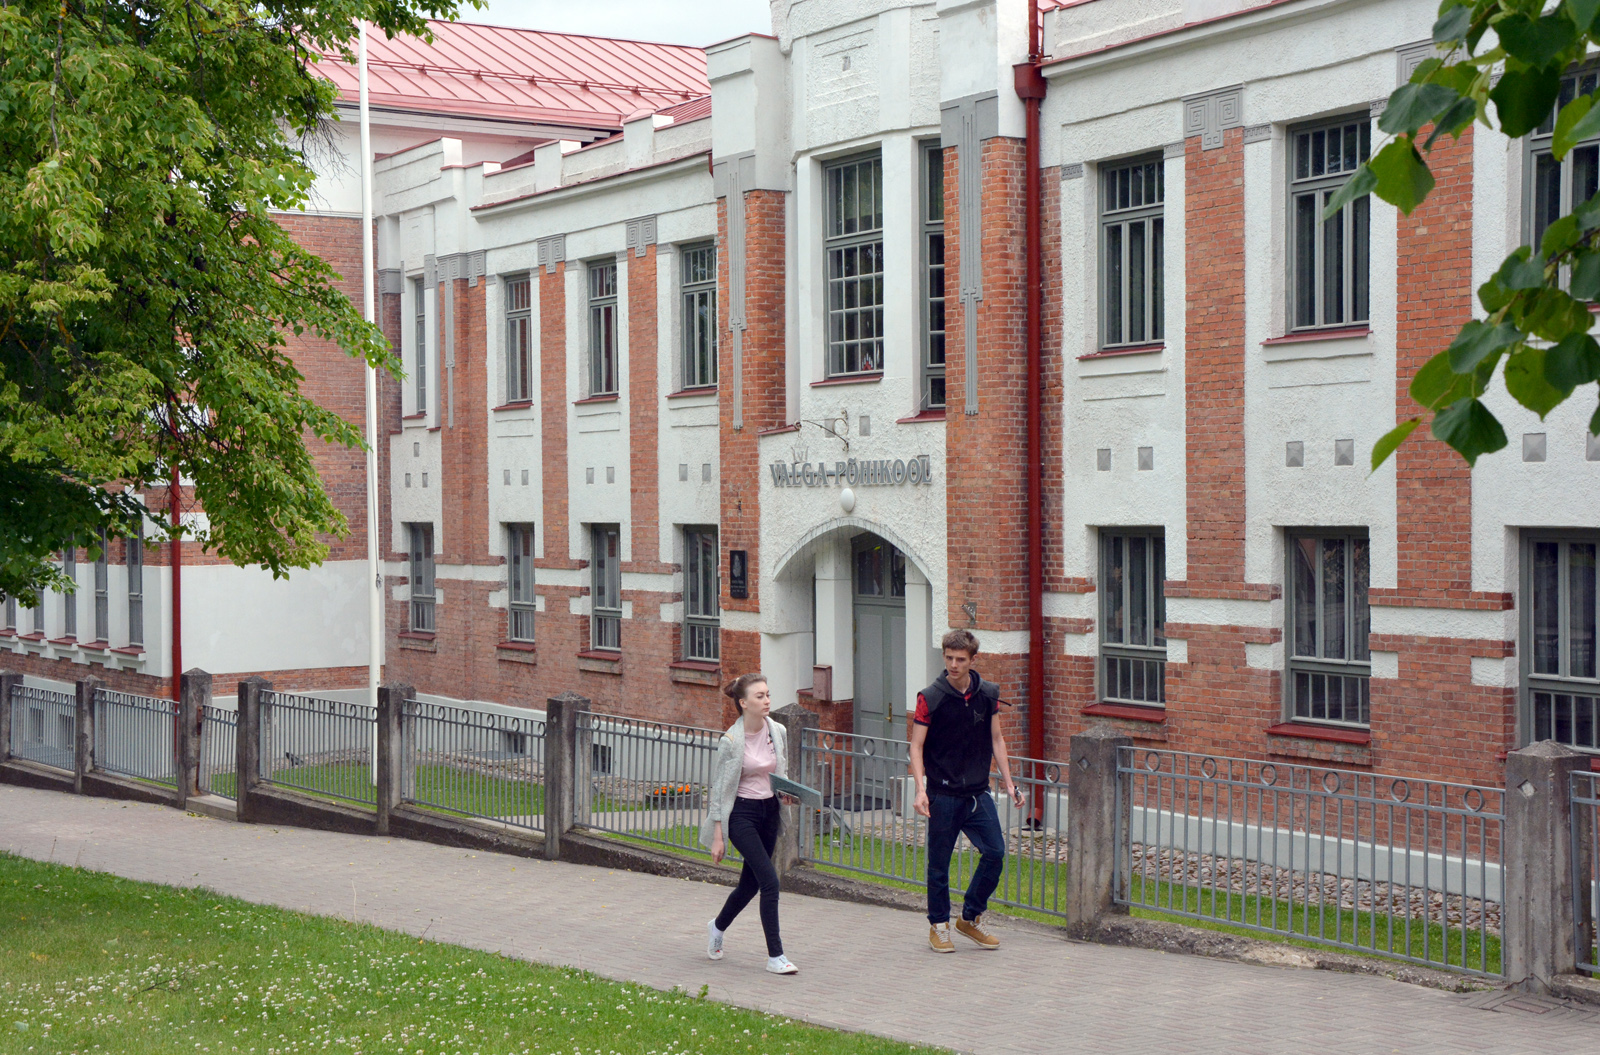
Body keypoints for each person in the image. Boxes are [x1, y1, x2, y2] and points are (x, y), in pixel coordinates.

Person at [910, 629, 1024, 953]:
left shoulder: (988, 694)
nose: (953, 665)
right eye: (949, 658)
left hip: (977, 794)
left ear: (973, 660)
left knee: (996, 853)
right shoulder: (929, 697)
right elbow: (916, 747)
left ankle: (969, 918)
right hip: (942, 794)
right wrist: (921, 790)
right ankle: (939, 925)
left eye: (960, 659)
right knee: (939, 864)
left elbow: (997, 739)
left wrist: (1011, 783)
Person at [699, 672, 798, 974]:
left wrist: (786, 792)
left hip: (769, 811)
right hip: (741, 814)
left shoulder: (777, 730)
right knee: (770, 882)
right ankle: (776, 957)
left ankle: (717, 927)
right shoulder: (730, 741)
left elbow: (780, 770)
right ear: (743, 703)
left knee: (748, 885)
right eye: (760, 696)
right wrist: (718, 834)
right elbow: (719, 789)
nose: (767, 701)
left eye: (768, 694)